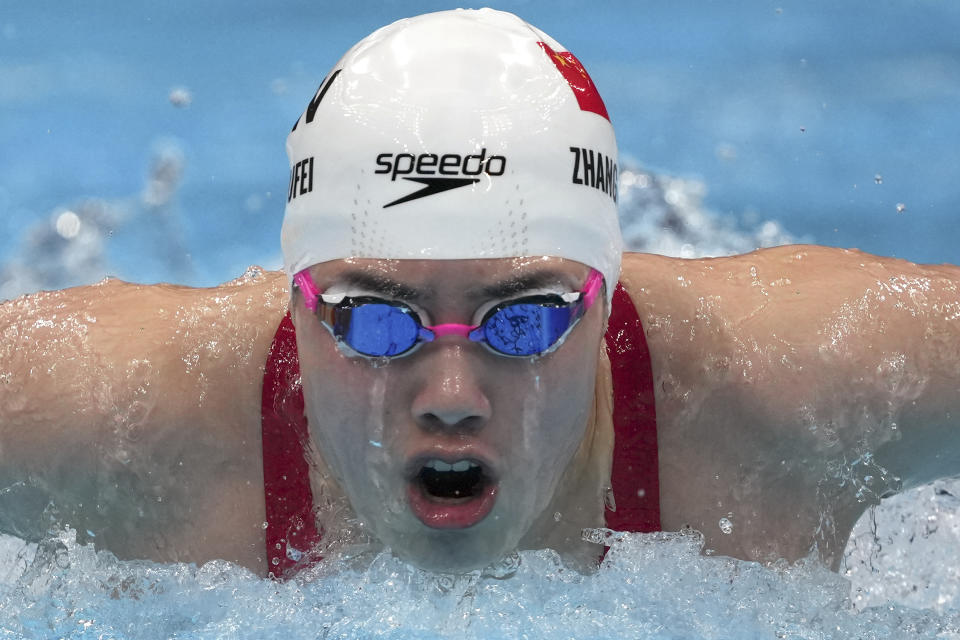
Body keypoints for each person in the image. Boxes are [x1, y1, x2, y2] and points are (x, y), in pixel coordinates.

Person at [1, 8, 959, 580]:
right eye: (376, 321)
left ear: (604, 299)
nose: (451, 393)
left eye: (526, 318)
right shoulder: (114, 414)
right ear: (292, 304)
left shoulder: (795, 380)